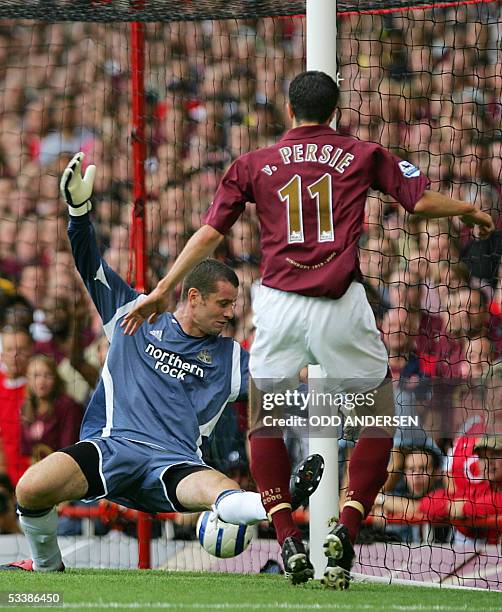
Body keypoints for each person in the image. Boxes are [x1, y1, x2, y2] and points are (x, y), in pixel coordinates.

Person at [121, 70, 495, 587]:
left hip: (278, 305)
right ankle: (348, 522)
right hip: (340, 302)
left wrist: (164, 289)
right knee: (377, 415)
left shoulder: (252, 164)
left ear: (288, 109)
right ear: (336, 107)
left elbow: (210, 233)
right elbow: (420, 202)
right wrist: (470, 210)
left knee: (264, 419)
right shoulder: (362, 153)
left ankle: (286, 535)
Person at [0, 153, 321, 573]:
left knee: (220, 487)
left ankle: (280, 501)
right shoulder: (133, 315)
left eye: (233, 305)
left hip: (175, 465)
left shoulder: (230, 358)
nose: (229, 314)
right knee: (31, 488)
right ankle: (47, 571)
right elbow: (89, 263)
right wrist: (78, 213)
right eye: (222, 304)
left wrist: (324, 364)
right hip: (112, 448)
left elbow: (282, 377)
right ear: (193, 297)